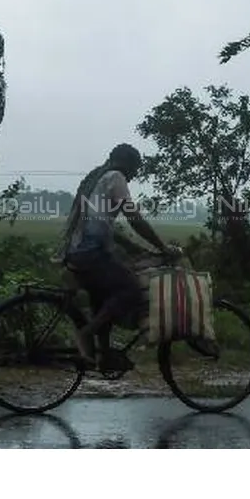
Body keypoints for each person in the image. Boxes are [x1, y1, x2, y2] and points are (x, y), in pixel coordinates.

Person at [58, 143, 179, 370]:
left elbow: (103, 225)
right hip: (90, 253)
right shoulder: (116, 177)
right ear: (127, 164)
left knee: (103, 301)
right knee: (130, 290)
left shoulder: (96, 178)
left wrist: (134, 247)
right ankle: (85, 335)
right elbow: (133, 217)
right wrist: (162, 246)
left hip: (75, 252)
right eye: (135, 169)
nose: (134, 176)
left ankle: (104, 356)